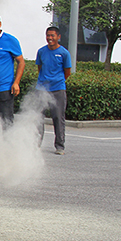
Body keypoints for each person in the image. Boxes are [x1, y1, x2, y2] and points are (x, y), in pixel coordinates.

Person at [36, 26, 72, 155]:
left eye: (52, 35)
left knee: (58, 117)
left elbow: (67, 72)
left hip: (58, 89)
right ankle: (36, 144)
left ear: (58, 37)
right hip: (41, 89)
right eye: (48, 35)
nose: (49, 38)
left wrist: (57, 81)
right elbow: (40, 68)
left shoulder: (64, 53)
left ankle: (59, 146)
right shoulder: (41, 51)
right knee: (38, 117)